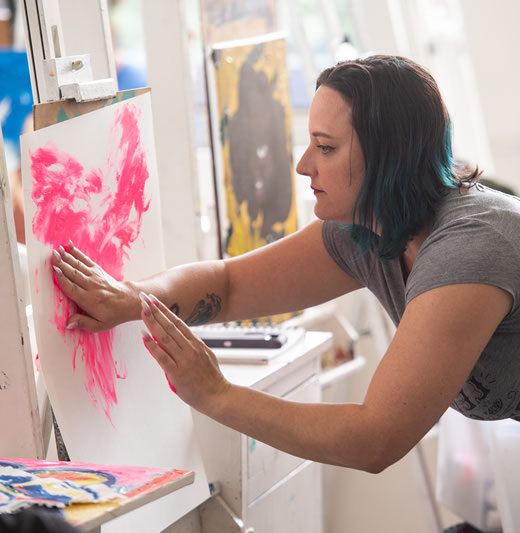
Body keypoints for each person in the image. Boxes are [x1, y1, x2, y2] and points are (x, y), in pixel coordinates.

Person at [49, 55, 520, 474]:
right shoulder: (367, 228)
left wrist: (218, 393)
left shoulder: (469, 250)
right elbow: (229, 284)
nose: (303, 165)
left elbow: (375, 438)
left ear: (388, 161)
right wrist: (127, 298)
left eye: (326, 148)